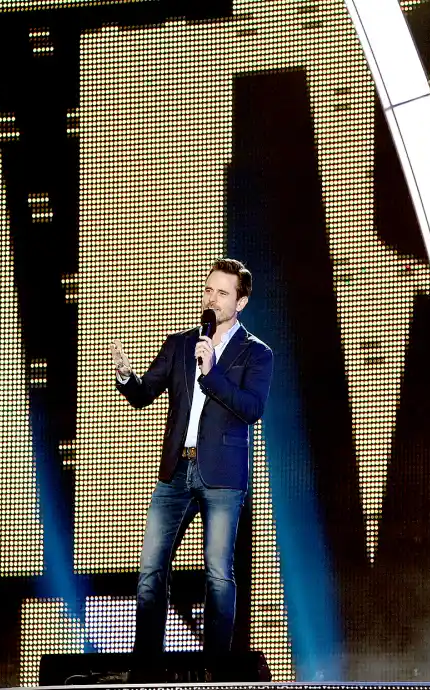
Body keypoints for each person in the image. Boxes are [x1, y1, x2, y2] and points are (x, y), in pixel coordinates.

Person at [109, 258, 273, 659]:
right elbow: (144, 393)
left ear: (242, 301)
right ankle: (146, 663)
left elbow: (252, 408)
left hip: (222, 476)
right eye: (209, 290)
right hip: (176, 471)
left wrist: (212, 372)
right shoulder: (181, 343)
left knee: (218, 574)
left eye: (223, 293)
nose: (213, 299)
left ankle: (216, 668)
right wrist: (126, 376)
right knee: (151, 569)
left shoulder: (256, 353)